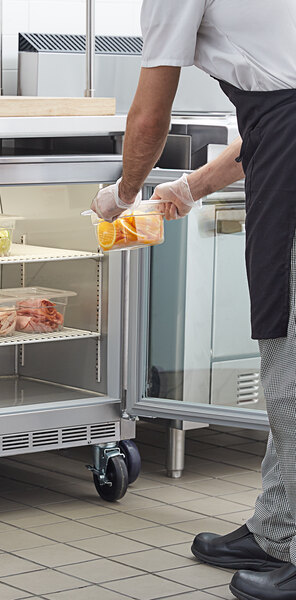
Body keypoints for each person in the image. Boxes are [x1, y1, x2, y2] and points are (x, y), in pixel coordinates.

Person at [90, 2, 296, 599]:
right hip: (280, 146)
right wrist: (185, 188)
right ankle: (275, 532)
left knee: (291, 378)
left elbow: (150, 115)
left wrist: (124, 194)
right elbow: (272, 119)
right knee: (283, 357)